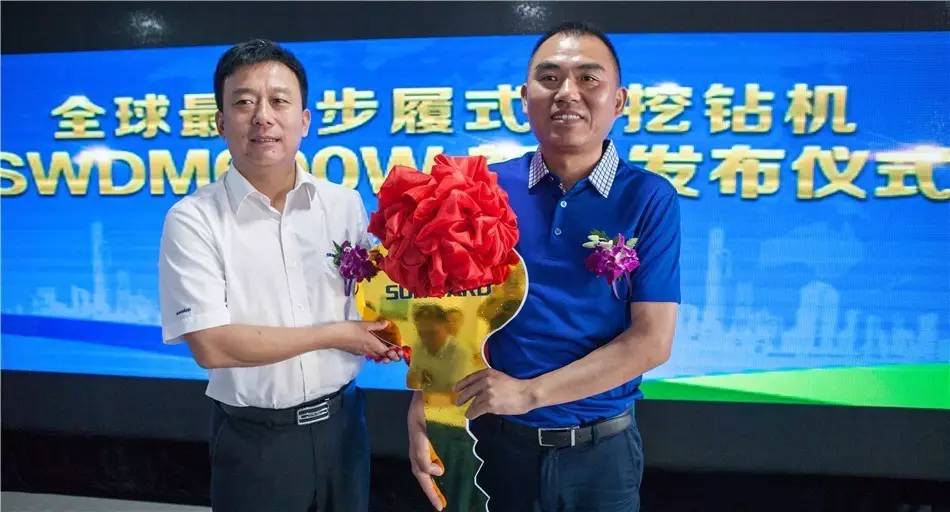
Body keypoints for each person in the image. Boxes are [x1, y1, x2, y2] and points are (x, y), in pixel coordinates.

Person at [408, 22, 681, 511]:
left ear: (619, 101)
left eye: (588, 79)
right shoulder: (485, 189)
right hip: (495, 444)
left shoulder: (649, 197)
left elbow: (651, 340)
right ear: (524, 98)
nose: (567, 93)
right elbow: (446, 318)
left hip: (602, 453)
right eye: (549, 78)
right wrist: (424, 405)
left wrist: (529, 394)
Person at [158, 39, 400, 512]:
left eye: (279, 101)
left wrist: (401, 330)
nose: (262, 117)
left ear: (304, 120)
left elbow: (374, 297)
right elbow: (212, 345)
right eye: (244, 102)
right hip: (257, 443)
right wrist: (338, 334)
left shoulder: (343, 204)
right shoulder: (193, 219)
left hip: (344, 429)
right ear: (220, 122)